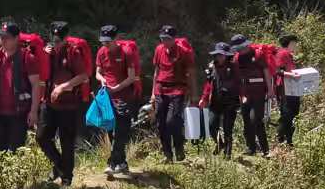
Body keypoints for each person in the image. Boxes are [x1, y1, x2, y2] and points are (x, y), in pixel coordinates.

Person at [38, 21, 92, 185]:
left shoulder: (72, 52)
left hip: (69, 105)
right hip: (49, 103)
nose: (57, 44)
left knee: (66, 141)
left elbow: (83, 76)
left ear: (66, 38)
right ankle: (60, 166)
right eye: (54, 40)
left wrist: (63, 87)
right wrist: (43, 55)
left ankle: (66, 178)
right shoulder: (48, 51)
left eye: (59, 40)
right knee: (42, 137)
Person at [0, 20, 45, 153]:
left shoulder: (27, 58)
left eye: (6, 37)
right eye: (1, 37)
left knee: (15, 152)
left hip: (19, 114)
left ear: (16, 39)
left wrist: (33, 112)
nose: (2, 40)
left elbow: (35, 86)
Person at [96, 24, 142, 179]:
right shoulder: (102, 52)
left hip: (124, 97)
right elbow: (98, 72)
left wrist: (116, 88)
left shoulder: (126, 52)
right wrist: (102, 80)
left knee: (121, 131)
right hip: (107, 97)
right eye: (103, 41)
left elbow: (131, 77)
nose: (105, 44)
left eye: (108, 41)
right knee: (110, 131)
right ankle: (122, 163)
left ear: (116, 39)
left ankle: (112, 163)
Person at [151, 25, 194, 163]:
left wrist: (193, 93)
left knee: (172, 121)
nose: (165, 41)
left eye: (168, 39)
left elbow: (190, 73)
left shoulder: (183, 52)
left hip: (177, 90)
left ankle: (179, 148)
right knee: (160, 123)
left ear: (174, 39)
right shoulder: (159, 50)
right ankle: (167, 155)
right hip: (161, 89)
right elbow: (156, 71)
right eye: (162, 38)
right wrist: (153, 93)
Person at [232, 34, 272, 157]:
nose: (240, 50)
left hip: (259, 92)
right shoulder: (237, 58)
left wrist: (270, 90)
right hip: (245, 93)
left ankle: (265, 150)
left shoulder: (258, 54)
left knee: (256, 119)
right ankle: (251, 148)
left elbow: (266, 71)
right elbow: (237, 77)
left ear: (246, 45)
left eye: (241, 47)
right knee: (246, 120)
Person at [201, 42, 240, 155]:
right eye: (217, 55)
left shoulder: (233, 67)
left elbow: (239, 84)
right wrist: (204, 98)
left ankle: (228, 154)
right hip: (215, 101)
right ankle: (219, 144)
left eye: (222, 55)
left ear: (227, 55)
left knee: (228, 128)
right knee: (211, 125)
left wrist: (243, 96)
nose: (219, 57)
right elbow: (208, 85)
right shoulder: (212, 67)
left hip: (230, 102)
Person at [274, 33, 304, 143]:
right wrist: (292, 75)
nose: (296, 46)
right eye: (295, 43)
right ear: (290, 43)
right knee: (287, 115)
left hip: (292, 89)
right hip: (285, 90)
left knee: (293, 115)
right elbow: (278, 71)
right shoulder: (282, 54)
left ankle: (289, 141)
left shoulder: (289, 55)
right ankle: (280, 139)